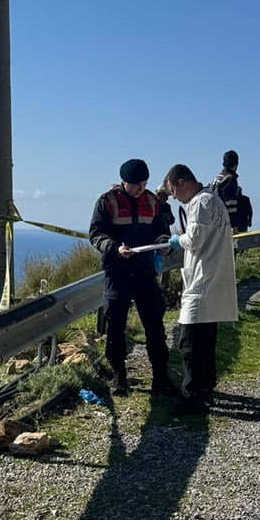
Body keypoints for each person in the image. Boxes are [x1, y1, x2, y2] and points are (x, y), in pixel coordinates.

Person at [89, 159, 180, 395]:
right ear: (124, 182)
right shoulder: (107, 202)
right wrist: (114, 248)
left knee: (155, 327)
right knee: (116, 327)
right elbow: (96, 234)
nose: (141, 188)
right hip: (117, 273)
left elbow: (162, 230)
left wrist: (163, 245)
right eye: (136, 185)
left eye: (144, 183)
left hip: (145, 273)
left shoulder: (151, 200)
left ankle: (160, 378)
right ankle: (119, 378)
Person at [163, 163, 240, 409]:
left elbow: (194, 239)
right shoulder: (214, 201)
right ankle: (206, 389)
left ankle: (191, 395)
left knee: (191, 343)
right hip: (213, 278)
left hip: (203, 281)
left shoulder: (200, 203)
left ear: (181, 183)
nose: (174, 197)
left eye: (173, 191)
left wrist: (177, 240)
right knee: (206, 341)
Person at [212, 150, 249, 233]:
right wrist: (234, 226)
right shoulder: (229, 179)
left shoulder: (217, 178)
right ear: (236, 164)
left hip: (214, 220)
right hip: (224, 223)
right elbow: (230, 205)